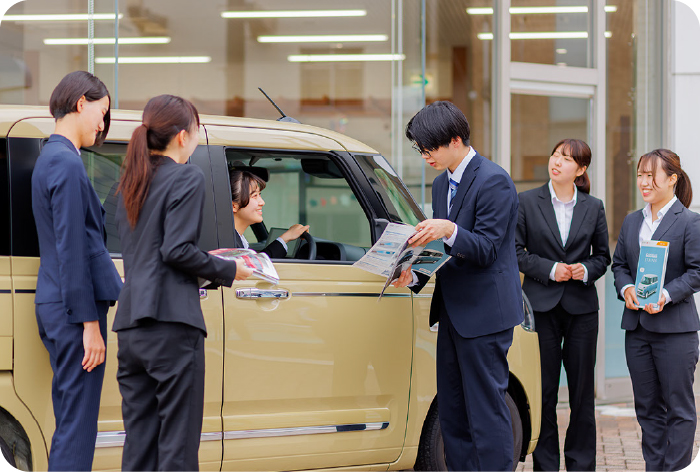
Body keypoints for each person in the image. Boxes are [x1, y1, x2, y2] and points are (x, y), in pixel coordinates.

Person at [113, 94, 253, 471]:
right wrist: (228, 268)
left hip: (130, 327)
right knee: (178, 445)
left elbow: (154, 252)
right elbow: (176, 251)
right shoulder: (187, 176)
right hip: (172, 325)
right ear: (181, 136)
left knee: (139, 445)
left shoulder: (130, 184)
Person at [394, 100, 524, 471]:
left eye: (428, 148)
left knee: (486, 410)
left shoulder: (494, 180)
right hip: (452, 313)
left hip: (486, 315)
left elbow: (486, 248)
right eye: (420, 150)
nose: (425, 156)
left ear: (454, 140)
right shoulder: (441, 184)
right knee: (453, 411)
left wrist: (450, 228)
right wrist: (413, 274)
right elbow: (444, 250)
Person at [31, 71, 123, 471]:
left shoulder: (50, 159)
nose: (102, 125)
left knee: (70, 419)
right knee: (77, 426)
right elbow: (72, 249)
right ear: (81, 102)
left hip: (56, 305)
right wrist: (89, 324)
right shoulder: (66, 164)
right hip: (74, 314)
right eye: (101, 113)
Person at [515, 139, 611, 471]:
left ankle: (581, 464)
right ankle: (545, 466)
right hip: (541, 308)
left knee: (582, 395)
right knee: (544, 393)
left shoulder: (593, 206)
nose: (557, 162)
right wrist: (550, 269)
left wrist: (585, 270)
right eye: (555, 154)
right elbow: (516, 252)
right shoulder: (526, 202)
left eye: (567, 159)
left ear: (580, 170)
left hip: (582, 310)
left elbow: (603, 257)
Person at [612, 149, 700, 471]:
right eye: (640, 175)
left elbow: (697, 271)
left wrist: (664, 294)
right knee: (647, 409)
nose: (643, 182)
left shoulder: (690, 222)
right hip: (637, 330)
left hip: (676, 331)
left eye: (651, 175)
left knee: (679, 409)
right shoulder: (632, 220)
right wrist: (627, 288)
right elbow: (619, 264)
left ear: (672, 178)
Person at [229, 168, 309, 258]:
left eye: (260, 195)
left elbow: (255, 262)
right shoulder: (228, 244)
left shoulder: (235, 238)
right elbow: (254, 267)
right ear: (234, 206)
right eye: (254, 196)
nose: (262, 202)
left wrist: (286, 237)